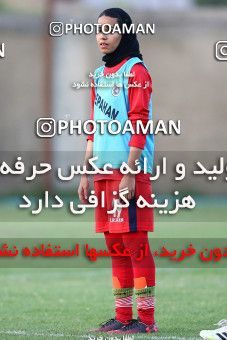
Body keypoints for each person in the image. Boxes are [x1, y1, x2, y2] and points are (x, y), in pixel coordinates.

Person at [78, 8, 157, 334]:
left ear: (124, 33)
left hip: (129, 173)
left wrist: (129, 172)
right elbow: (94, 129)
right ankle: (123, 317)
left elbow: (140, 125)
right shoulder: (98, 76)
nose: (102, 35)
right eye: (99, 30)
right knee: (116, 247)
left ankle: (146, 321)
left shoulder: (137, 72)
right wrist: (85, 172)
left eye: (110, 30)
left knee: (135, 245)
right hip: (103, 173)